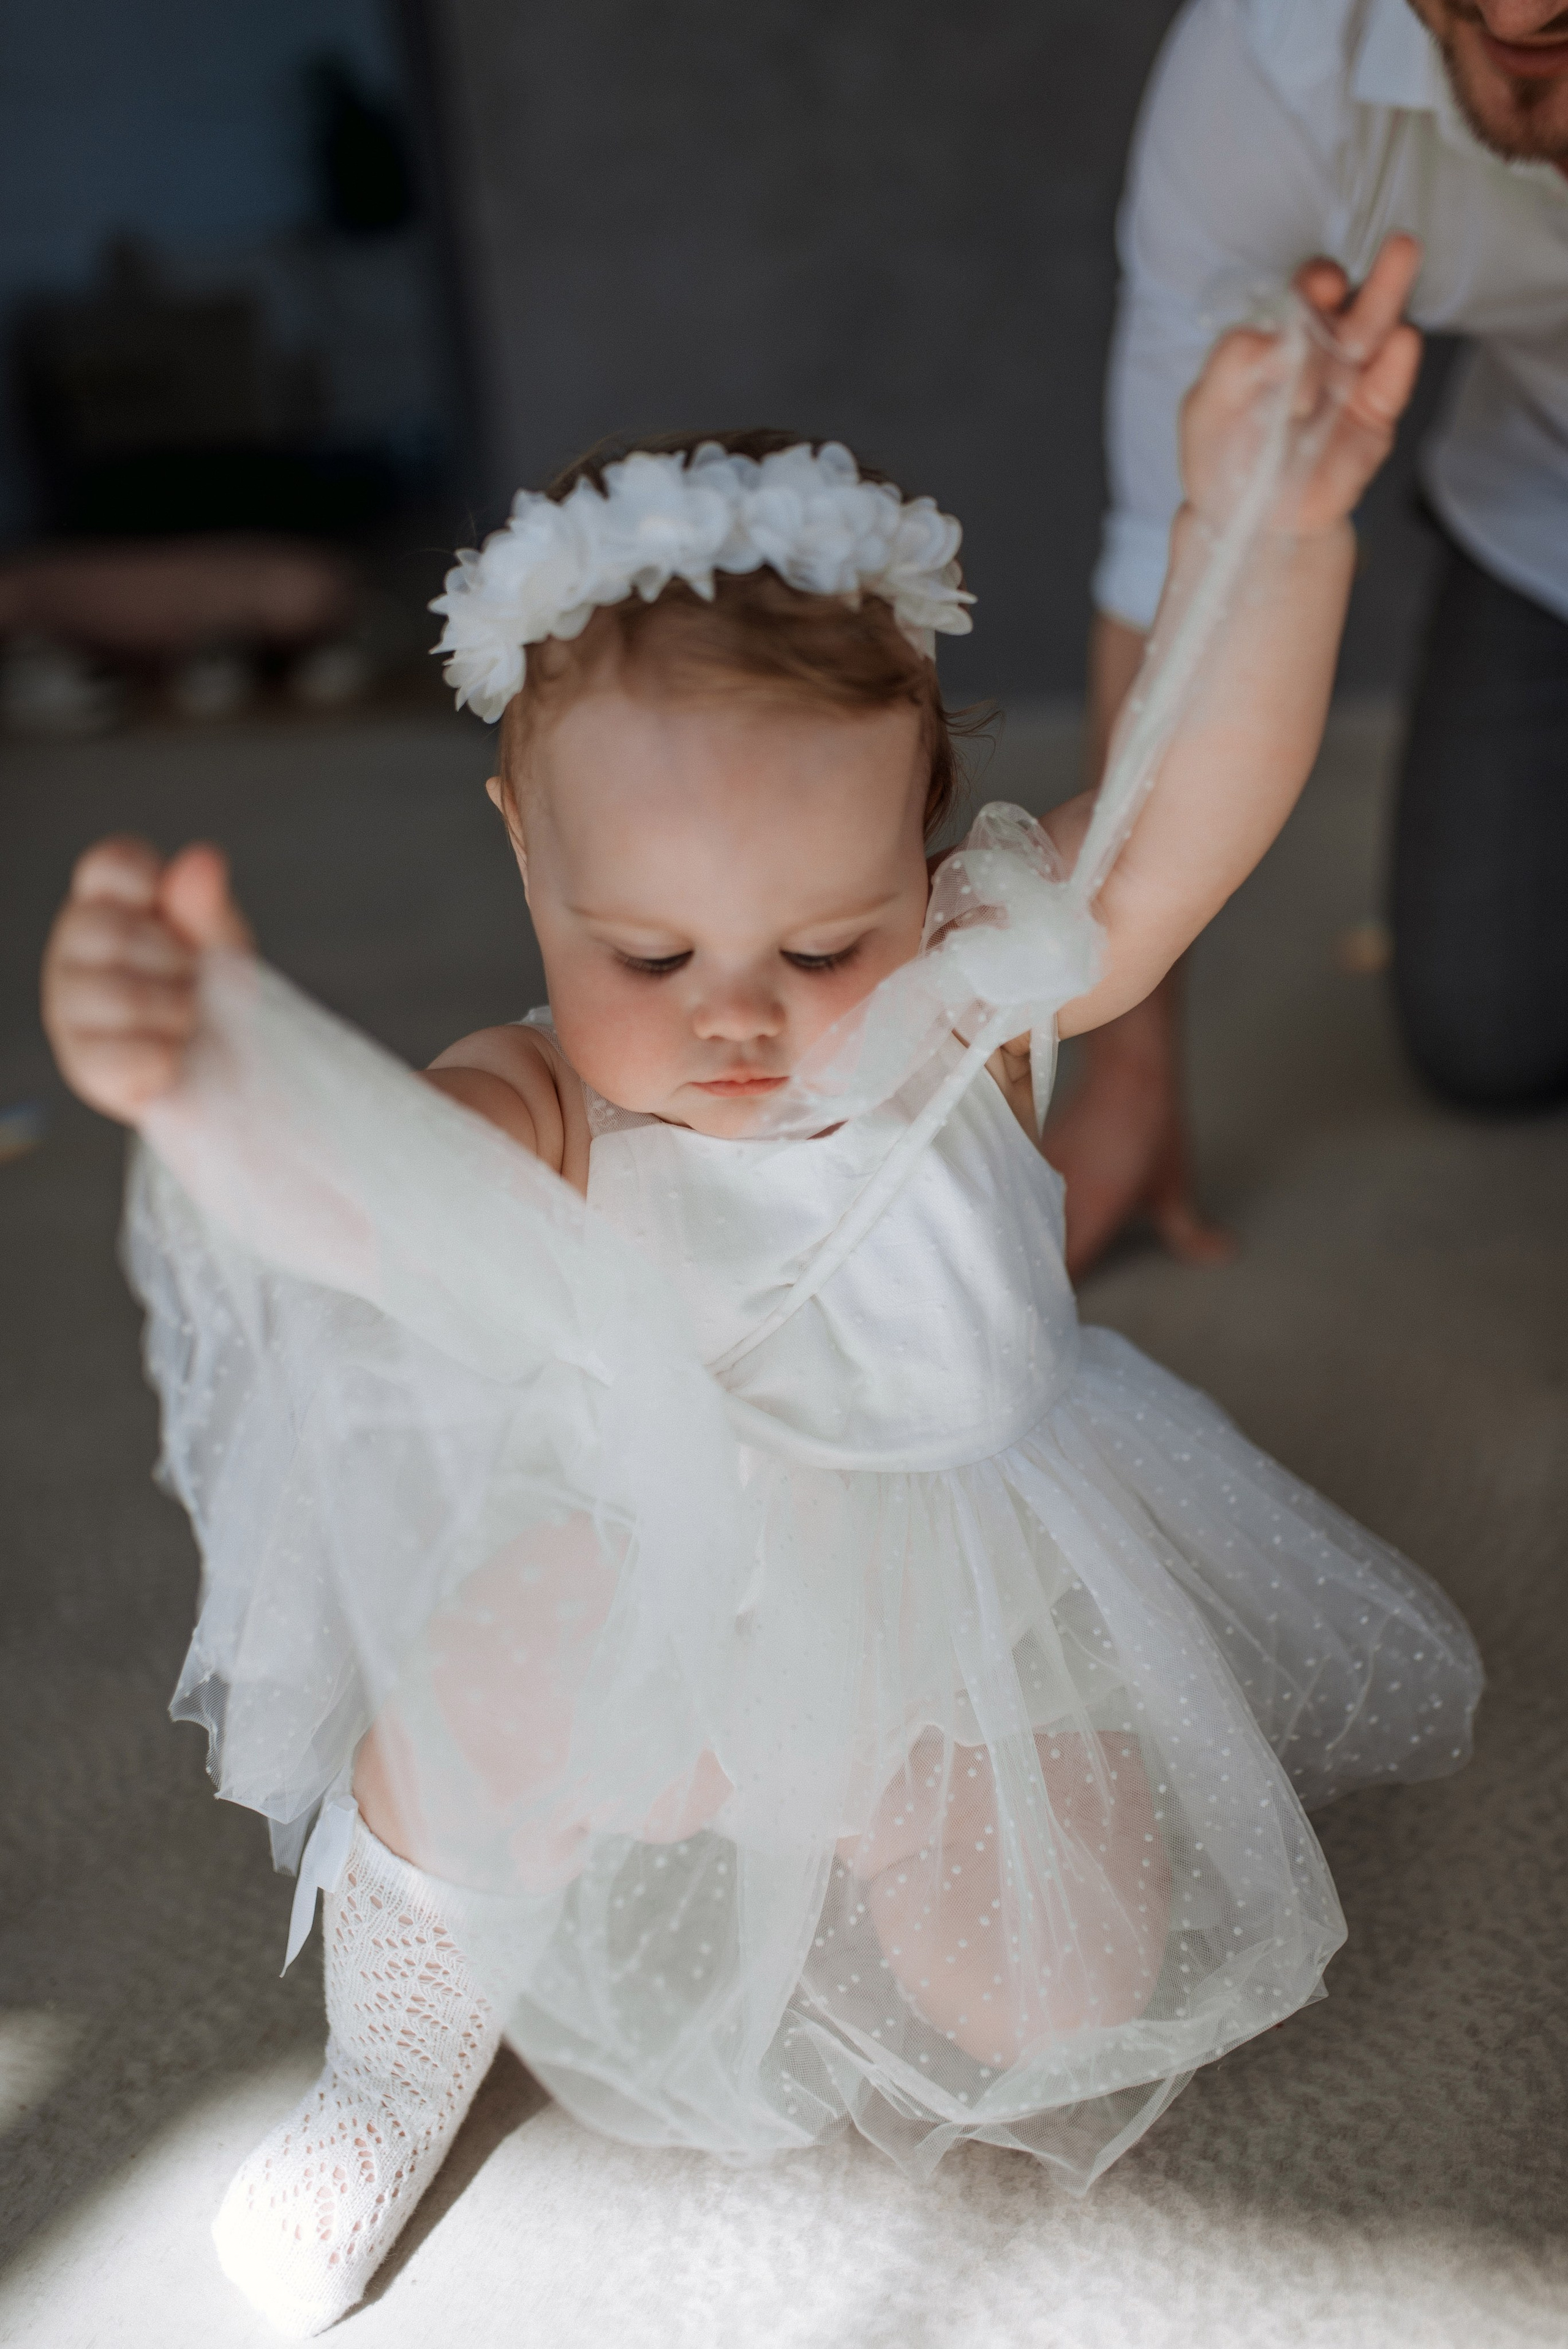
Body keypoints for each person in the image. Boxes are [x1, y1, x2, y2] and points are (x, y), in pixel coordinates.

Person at [42, 243, 1480, 2341]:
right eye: (649, 954)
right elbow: (378, 1200)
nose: (742, 1022)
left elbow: (1179, 817)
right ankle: (386, 2069)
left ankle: (892, 1803)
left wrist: (1268, 528)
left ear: (929, 858)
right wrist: (205, 1079)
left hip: (946, 1586)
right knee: (468, 1715)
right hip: (626, 1578)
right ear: (527, 859)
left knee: (1063, 1982)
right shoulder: (539, 1091)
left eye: (827, 945)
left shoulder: (970, 1011)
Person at [1057, 0, 1568, 1276]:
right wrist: (1126, 1064)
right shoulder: (1273, 63)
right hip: (1545, 509)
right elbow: (1162, 552)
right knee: (1481, 1036)